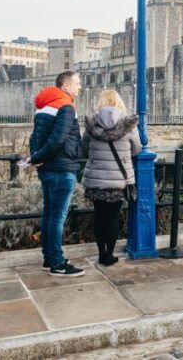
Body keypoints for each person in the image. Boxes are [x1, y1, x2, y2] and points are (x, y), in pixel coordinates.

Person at [29, 71, 84, 277]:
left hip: (48, 169)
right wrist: (37, 158)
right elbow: (59, 139)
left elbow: (35, 137)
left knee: (49, 215)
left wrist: (36, 156)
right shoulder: (66, 106)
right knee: (57, 218)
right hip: (62, 168)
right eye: (77, 83)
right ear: (66, 85)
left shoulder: (44, 107)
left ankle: (49, 257)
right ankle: (58, 264)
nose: (80, 88)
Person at [81, 89, 141, 266]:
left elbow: (84, 150)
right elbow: (136, 149)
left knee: (99, 217)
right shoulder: (128, 124)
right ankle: (110, 254)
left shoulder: (92, 125)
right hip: (118, 180)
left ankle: (101, 254)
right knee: (113, 218)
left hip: (96, 179)